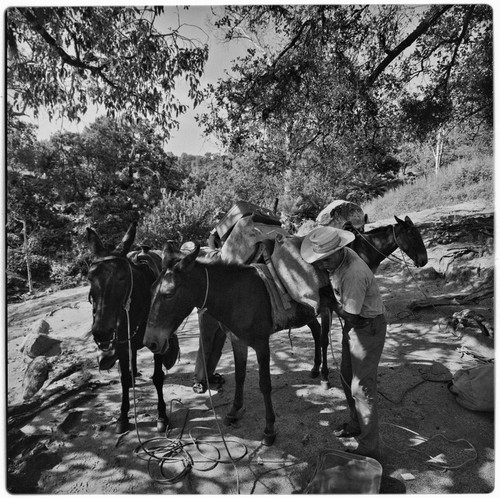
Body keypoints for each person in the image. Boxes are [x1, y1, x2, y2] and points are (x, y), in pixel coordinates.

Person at [301, 226, 387, 460]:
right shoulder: (340, 259)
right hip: (355, 327)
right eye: (319, 261)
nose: (321, 265)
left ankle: (370, 448)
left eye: (325, 260)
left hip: (367, 327)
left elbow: (351, 316)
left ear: (340, 251)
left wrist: (329, 301)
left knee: (362, 387)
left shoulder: (353, 273)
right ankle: (356, 422)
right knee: (347, 377)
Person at [180, 241, 227, 394]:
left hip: (222, 310)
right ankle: (199, 380)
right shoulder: (194, 271)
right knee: (206, 345)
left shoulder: (215, 260)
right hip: (207, 311)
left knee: (218, 344)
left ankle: (209, 375)